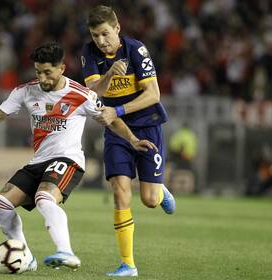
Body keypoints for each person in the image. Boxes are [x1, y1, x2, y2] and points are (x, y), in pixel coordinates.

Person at [0, 42, 157, 272]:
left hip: (68, 160)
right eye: (38, 72)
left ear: (61, 68)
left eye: (47, 72)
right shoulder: (25, 91)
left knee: (45, 198)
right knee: (1, 203)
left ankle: (66, 251)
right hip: (38, 162)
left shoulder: (81, 95)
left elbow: (110, 118)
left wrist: (133, 140)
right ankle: (26, 257)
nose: (42, 78)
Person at [81, 5, 176, 277]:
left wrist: (119, 109)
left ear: (117, 28)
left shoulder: (136, 50)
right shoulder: (89, 53)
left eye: (105, 34)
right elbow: (93, 92)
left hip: (147, 127)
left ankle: (160, 190)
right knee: (120, 191)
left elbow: (154, 95)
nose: (100, 40)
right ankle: (128, 265)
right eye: (95, 35)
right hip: (116, 129)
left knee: (149, 199)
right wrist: (110, 73)